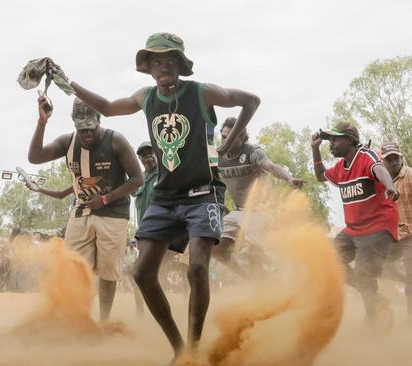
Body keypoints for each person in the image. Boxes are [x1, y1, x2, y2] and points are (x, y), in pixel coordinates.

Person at [48, 32, 260, 359]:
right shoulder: (145, 97)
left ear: (181, 65)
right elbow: (105, 106)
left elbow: (251, 101)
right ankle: (179, 348)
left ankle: (193, 345)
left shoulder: (202, 93)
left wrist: (229, 145)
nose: (164, 66)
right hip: (165, 198)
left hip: (203, 195)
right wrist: (67, 81)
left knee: (197, 268)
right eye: (157, 61)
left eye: (171, 60)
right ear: (148, 68)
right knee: (142, 273)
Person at [28, 96, 143, 321]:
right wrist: (42, 121)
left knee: (108, 272)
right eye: (82, 130)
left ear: (98, 120)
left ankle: (104, 320)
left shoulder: (116, 141)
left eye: (91, 128)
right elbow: (34, 157)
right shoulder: (67, 142)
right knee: (75, 268)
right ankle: (78, 317)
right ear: (74, 124)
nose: (87, 134)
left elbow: (137, 179)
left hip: (113, 214)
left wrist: (105, 199)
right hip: (81, 212)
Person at [312, 123, 399, 328]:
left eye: (334, 139)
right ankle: (375, 299)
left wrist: (391, 186)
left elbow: (379, 168)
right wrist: (315, 148)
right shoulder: (341, 168)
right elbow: (319, 176)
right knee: (329, 261)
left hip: (379, 226)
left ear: (349, 140)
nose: (330, 144)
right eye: (329, 140)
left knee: (363, 272)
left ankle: (375, 321)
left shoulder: (365, 155)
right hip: (354, 230)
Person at [215, 117, 305, 276]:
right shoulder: (218, 156)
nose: (225, 141)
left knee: (261, 255)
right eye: (223, 136)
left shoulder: (252, 152)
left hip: (260, 211)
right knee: (216, 247)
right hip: (238, 212)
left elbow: (270, 166)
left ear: (242, 138)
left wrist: (289, 178)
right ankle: (249, 279)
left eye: (230, 137)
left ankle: (299, 274)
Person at [380, 142, 412, 319]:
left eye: (396, 158)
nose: (393, 162)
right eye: (389, 159)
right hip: (393, 236)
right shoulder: (381, 180)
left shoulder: (411, 176)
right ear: (383, 162)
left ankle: (411, 321)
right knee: (378, 264)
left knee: (411, 267)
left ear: (401, 158)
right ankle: (405, 282)